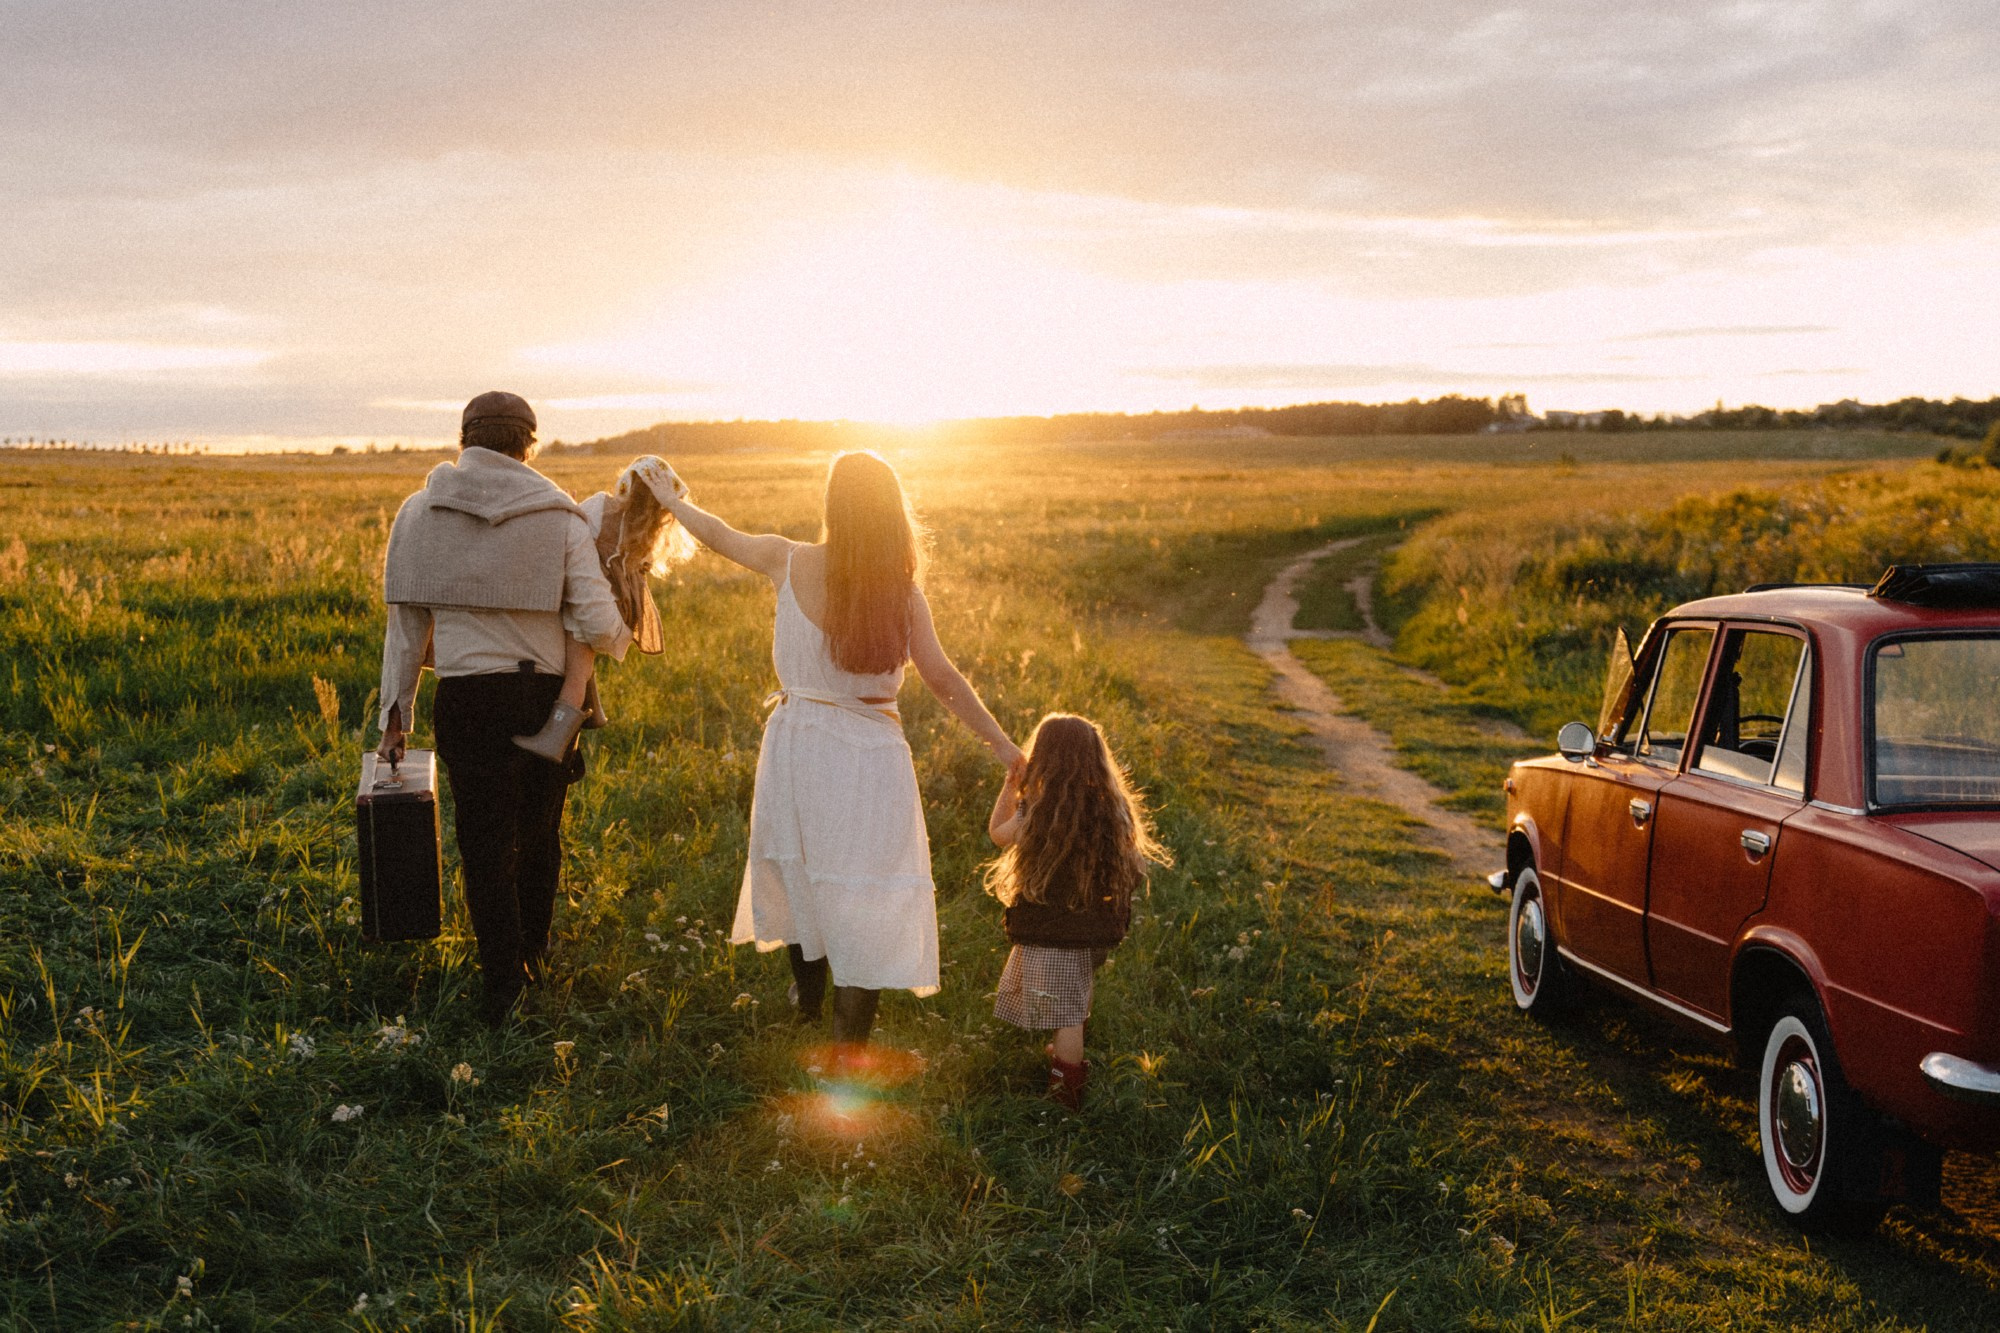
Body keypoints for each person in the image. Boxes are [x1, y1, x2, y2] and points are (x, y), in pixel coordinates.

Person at [651, 449, 1023, 1055]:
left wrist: (672, 498)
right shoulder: (902, 595)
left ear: (833, 505)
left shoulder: (786, 558)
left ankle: (808, 1010)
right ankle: (847, 1045)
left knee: (802, 874)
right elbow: (944, 680)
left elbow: (719, 535)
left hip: (798, 746)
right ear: (892, 514)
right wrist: (1004, 746)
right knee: (864, 893)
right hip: (871, 757)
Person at [376, 390, 633, 1025]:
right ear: (529, 446)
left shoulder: (417, 514)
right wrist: (625, 620)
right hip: (543, 700)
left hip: (465, 699)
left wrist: (395, 721)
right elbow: (601, 625)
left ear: (464, 439)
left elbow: (405, 634)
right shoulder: (562, 518)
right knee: (539, 834)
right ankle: (534, 955)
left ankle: (501, 984)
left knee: (483, 842)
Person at [985, 713, 1170, 1110]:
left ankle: (1065, 1093)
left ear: (1043, 758)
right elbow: (1132, 861)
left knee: (1066, 1014)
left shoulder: (1039, 810)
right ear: (1096, 758)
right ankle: (1067, 1056)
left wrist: (1010, 787)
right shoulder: (1111, 808)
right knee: (1076, 992)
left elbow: (998, 835)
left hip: (1054, 929)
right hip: (1097, 928)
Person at [512, 457, 697, 762]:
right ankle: (591, 713)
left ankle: (553, 739)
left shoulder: (601, 506)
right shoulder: (647, 533)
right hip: (617, 606)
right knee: (582, 666)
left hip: (588, 598)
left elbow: (573, 534)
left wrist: (569, 506)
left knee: (576, 671)